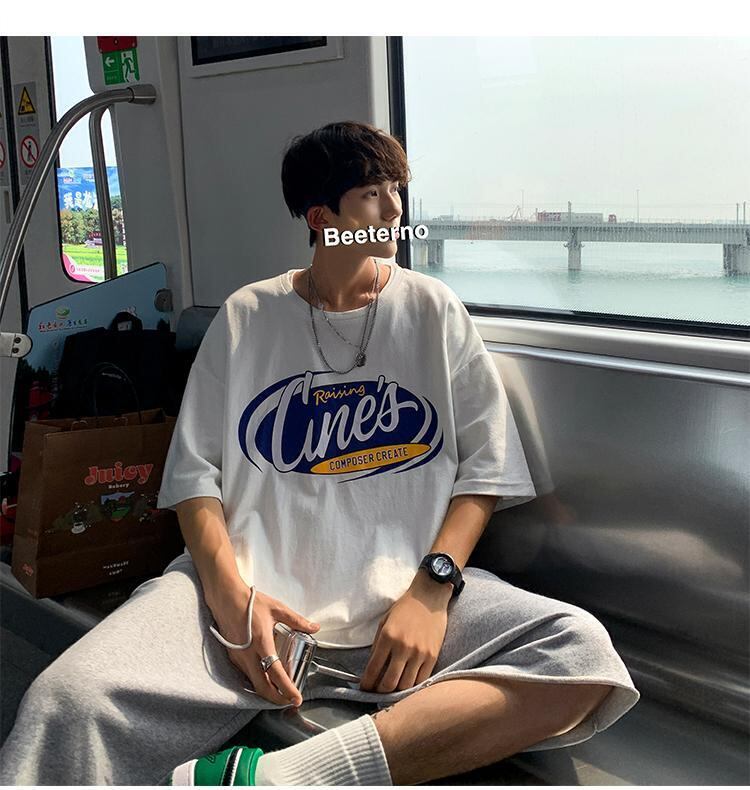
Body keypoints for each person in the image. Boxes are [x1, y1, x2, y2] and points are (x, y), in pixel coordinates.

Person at [0, 121, 639, 786]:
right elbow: (194, 479)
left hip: (401, 602)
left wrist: (432, 587)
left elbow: (486, 469)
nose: (394, 208)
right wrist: (232, 602)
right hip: (248, 603)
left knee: (581, 656)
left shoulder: (433, 310)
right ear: (321, 217)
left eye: (397, 190)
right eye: (372, 193)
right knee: (64, 702)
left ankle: (286, 779)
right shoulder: (248, 316)